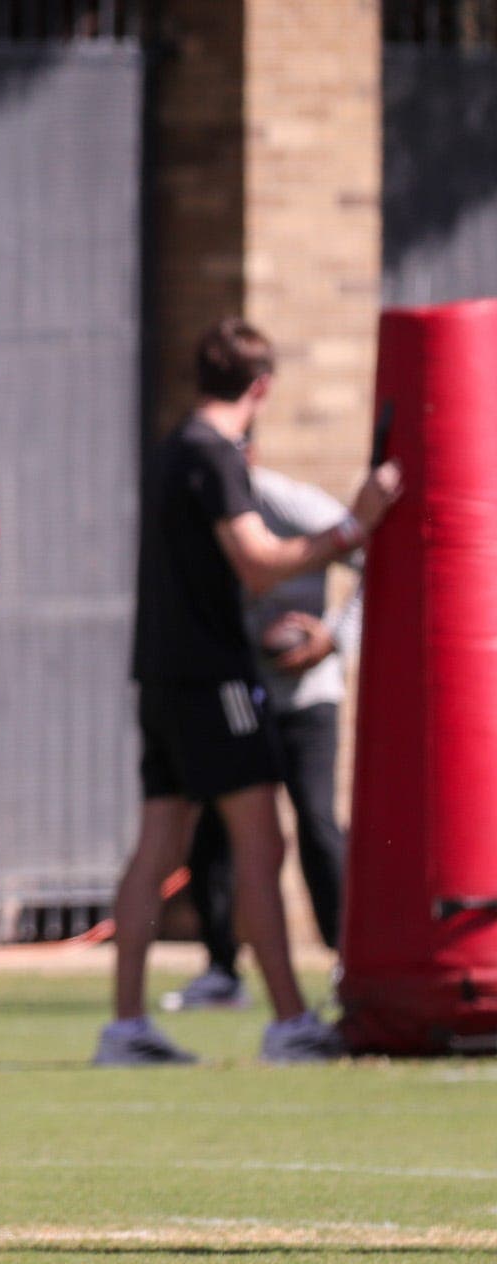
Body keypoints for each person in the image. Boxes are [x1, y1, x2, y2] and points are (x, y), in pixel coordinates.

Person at [99, 318, 400, 1066]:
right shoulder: (215, 453)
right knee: (262, 846)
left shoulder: (174, 448)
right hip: (215, 679)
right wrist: (354, 527)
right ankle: (291, 1022)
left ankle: (126, 1026)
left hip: (162, 674)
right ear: (261, 388)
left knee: (158, 846)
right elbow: (259, 564)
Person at [164, 460, 362, 1010]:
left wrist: (333, 640)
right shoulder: (201, 510)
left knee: (317, 822)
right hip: (239, 694)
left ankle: (347, 962)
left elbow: (370, 556)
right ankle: (221, 969)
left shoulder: (291, 503)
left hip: (307, 696)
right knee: (214, 830)